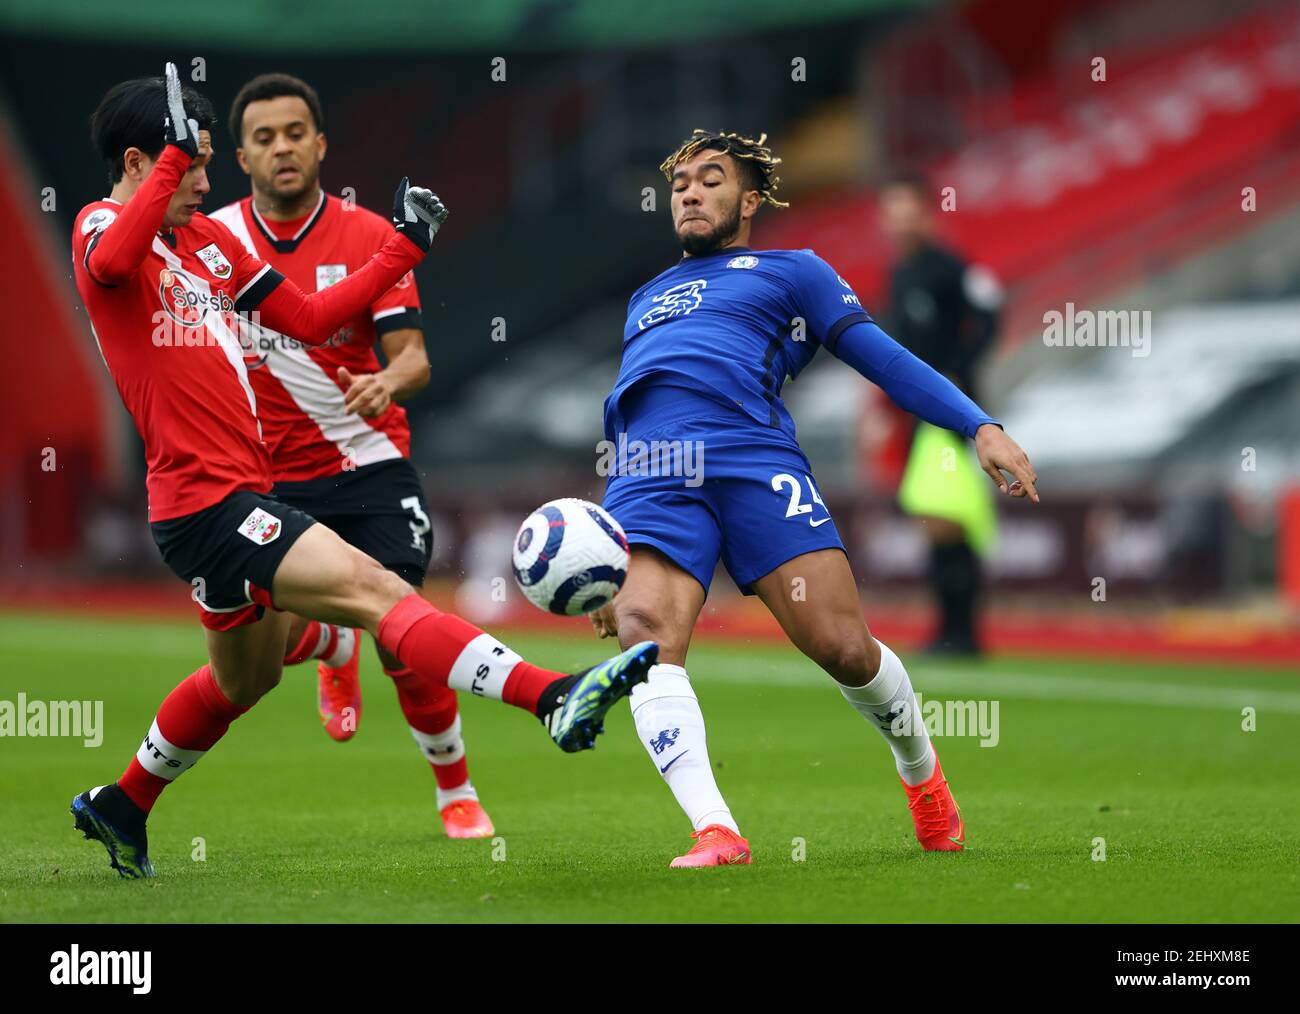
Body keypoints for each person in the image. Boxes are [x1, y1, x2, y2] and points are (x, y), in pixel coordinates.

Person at [68, 64, 657, 879]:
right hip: (204, 503)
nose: (203, 181)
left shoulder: (206, 245)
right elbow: (108, 267)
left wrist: (400, 248)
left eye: (199, 162)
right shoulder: (102, 225)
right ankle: (550, 698)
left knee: (245, 681)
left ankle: (121, 805)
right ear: (141, 161)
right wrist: (169, 162)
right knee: (383, 593)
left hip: (243, 493)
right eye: (191, 161)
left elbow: (309, 318)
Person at [589, 130, 1037, 867]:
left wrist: (976, 425)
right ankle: (716, 829)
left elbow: (883, 357)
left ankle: (922, 775)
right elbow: (630, 408)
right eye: (681, 186)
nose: (692, 193)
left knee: (843, 647)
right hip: (651, 470)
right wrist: (609, 556)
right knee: (646, 636)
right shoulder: (646, 295)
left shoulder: (794, 271)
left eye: (711, 180)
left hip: (751, 459)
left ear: (750, 200)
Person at [211, 73, 492, 839]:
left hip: (369, 464)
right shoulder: (213, 241)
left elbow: (415, 361)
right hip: (264, 479)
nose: (282, 149)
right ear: (242, 156)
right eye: (265, 138)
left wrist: (386, 381)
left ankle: (454, 790)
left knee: (405, 632)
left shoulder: (374, 235)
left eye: (295, 133)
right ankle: (333, 641)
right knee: (258, 652)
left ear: (321, 143)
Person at [879, 172, 1003, 655]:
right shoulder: (899, 273)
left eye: (909, 210)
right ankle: (950, 630)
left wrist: (958, 374)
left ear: (927, 214)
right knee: (932, 522)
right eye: (893, 212)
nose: (901, 221)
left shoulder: (949, 267)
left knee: (948, 520)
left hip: (948, 419)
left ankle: (964, 633)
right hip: (916, 416)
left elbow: (991, 317)